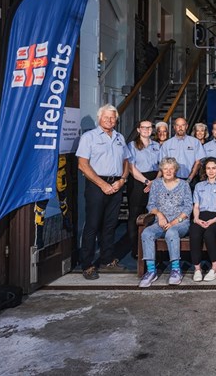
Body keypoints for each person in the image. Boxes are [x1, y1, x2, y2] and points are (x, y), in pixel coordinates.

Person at [76, 104, 130, 280]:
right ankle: (88, 264)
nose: (110, 120)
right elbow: (82, 165)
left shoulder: (119, 137)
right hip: (96, 185)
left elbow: (126, 162)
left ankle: (107, 260)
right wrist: (102, 184)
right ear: (99, 118)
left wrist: (122, 180)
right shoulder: (89, 137)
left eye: (113, 117)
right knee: (92, 225)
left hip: (116, 185)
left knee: (110, 225)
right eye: (106, 117)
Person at [138, 157, 192, 287]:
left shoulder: (184, 184)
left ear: (175, 170)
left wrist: (174, 222)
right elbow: (151, 205)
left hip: (180, 223)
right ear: (161, 170)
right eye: (165, 168)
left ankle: (175, 270)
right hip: (160, 223)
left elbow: (188, 207)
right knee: (146, 233)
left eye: (171, 168)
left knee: (171, 233)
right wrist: (160, 215)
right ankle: (151, 271)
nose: (168, 171)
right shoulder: (156, 184)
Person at [190, 157, 216, 282]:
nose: (211, 171)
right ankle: (197, 269)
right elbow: (196, 206)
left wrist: (214, 220)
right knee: (195, 233)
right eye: (208, 168)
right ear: (204, 170)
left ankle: (215, 267)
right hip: (201, 216)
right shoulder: (198, 186)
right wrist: (196, 219)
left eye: (214, 168)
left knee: (209, 234)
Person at [127, 120, 160, 259]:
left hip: (155, 180)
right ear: (138, 129)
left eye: (149, 127)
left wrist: (155, 182)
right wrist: (147, 182)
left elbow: (162, 166)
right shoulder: (132, 145)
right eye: (143, 127)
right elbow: (130, 167)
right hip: (138, 181)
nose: (147, 129)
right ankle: (136, 249)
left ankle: (151, 249)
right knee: (135, 216)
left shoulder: (157, 146)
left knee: (153, 214)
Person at [159, 116, 206, 182]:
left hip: (191, 180)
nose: (180, 128)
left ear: (186, 126)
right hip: (172, 180)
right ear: (174, 127)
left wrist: (190, 178)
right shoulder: (167, 144)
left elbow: (198, 162)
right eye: (178, 125)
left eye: (183, 125)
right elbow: (163, 164)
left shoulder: (195, 142)